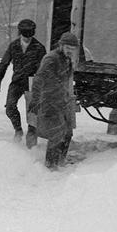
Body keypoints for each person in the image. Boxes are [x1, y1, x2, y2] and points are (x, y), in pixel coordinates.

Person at [30, 31, 79, 170]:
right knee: (57, 133)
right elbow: (39, 79)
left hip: (61, 101)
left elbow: (65, 79)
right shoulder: (51, 58)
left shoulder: (67, 59)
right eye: (68, 47)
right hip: (49, 101)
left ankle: (60, 161)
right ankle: (50, 165)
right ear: (61, 45)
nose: (70, 51)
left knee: (68, 132)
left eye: (73, 48)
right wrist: (35, 100)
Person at [0, 18, 46, 146]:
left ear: (33, 33)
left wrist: (43, 85)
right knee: (10, 107)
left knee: (33, 111)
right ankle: (18, 130)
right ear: (20, 33)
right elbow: (4, 64)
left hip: (33, 81)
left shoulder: (39, 48)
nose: (27, 37)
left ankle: (32, 134)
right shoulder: (14, 46)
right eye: (24, 34)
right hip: (17, 81)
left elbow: (44, 68)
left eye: (30, 34)